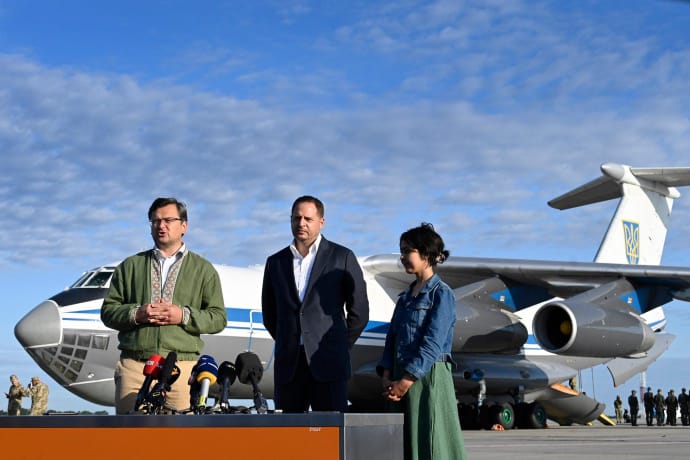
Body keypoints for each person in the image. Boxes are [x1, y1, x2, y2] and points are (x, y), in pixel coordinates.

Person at [101, 197, 227, 414]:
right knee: (130, 434)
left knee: (179, 435)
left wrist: (183, 316)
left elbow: (218, 318)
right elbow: (108, 312)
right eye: (155, 221)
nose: (161, 225)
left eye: (168, 220)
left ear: (184, 226)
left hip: (183, 369)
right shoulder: (130, 266)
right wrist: (136, 314)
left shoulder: (204, 270)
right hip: (135, 368)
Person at [262, 195, 369, 413]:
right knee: (288, 432)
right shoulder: (275, 262)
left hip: (329, 363)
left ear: (321, 222)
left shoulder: (342, 257)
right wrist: (288, 340)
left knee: (330, 431)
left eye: (308, 219)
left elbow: (359, 311)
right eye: (296, 218)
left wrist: (338, 345)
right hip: (289, 367)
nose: (301, 223)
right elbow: (270, 314)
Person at [377, 223, 467, 460]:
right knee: (402, 445)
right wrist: (387, 375)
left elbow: (433, 343)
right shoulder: (404, 298)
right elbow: (392, 338)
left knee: (432, 443)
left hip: (428, 377)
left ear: (426, 254)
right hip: (400, 378)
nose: (403, 257)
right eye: (402, 251)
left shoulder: (442, 294)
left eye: (408, 250)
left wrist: (406, 381)